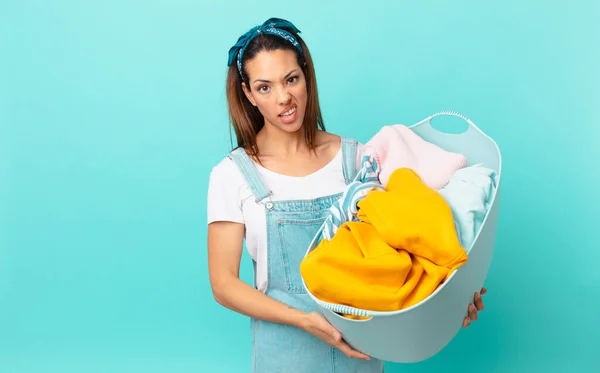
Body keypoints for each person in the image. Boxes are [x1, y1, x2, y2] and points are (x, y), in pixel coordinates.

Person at [206, 17, 487, 373]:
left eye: (291, 79)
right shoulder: (232, 175)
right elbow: (223, 284)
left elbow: (405, 251)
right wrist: (303, 319)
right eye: (264, 87)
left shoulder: (359, 159)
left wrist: (448, 303)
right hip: (284, 358)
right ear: (248, 94)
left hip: (362, 359)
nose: (283, 98)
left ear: (306, 75)